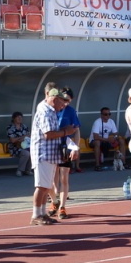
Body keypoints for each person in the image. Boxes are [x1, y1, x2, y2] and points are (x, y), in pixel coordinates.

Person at [29, 87, 77, 225]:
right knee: (41, 186)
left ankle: (42, 213)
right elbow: (48, 134)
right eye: (62, 102)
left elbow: (52, 132)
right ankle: (36, 215)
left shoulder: (51, 111)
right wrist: (65, 132)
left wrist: (65, 133)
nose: (63, 105)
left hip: (50, 154)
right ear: (55, 99)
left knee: (46, 186)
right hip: (43, 154)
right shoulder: (45, 111)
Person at [50, 87, 80, 219]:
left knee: (64, 177)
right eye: (64, 99)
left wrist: (75, 148)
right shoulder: (52, 110)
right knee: (53, 177)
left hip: (65, 147)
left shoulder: (71, 111)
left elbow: (76, 130)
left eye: (68, 100)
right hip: (52, 146)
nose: (65, 103)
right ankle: (54, 201)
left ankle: (62, 206)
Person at [90, 107, 125, 171]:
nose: (108, 116)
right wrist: (108, 140)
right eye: (105, 114)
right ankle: (97, 165)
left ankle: (123, 162)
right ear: (101, 115)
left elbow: (116, 133)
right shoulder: (97, 122)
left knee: (121, 140)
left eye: (109, 114)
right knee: (97, 142)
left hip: (106, 141)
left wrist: (115, 138)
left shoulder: (111, 121)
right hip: (95, 141)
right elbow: (96, 137)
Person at [7, 112, 31, 177]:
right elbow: (12, 140)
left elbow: (29, 135)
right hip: (14, 147)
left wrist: (21, 138)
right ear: (14, 118)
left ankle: (28, 170)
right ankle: (20, 170)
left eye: (21, 117)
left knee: (32, 152)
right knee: (26, 153)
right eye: (18, 117)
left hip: (26, 145)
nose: (20, 118)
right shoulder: (10, 128)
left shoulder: (24, 126)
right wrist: (23, 137)